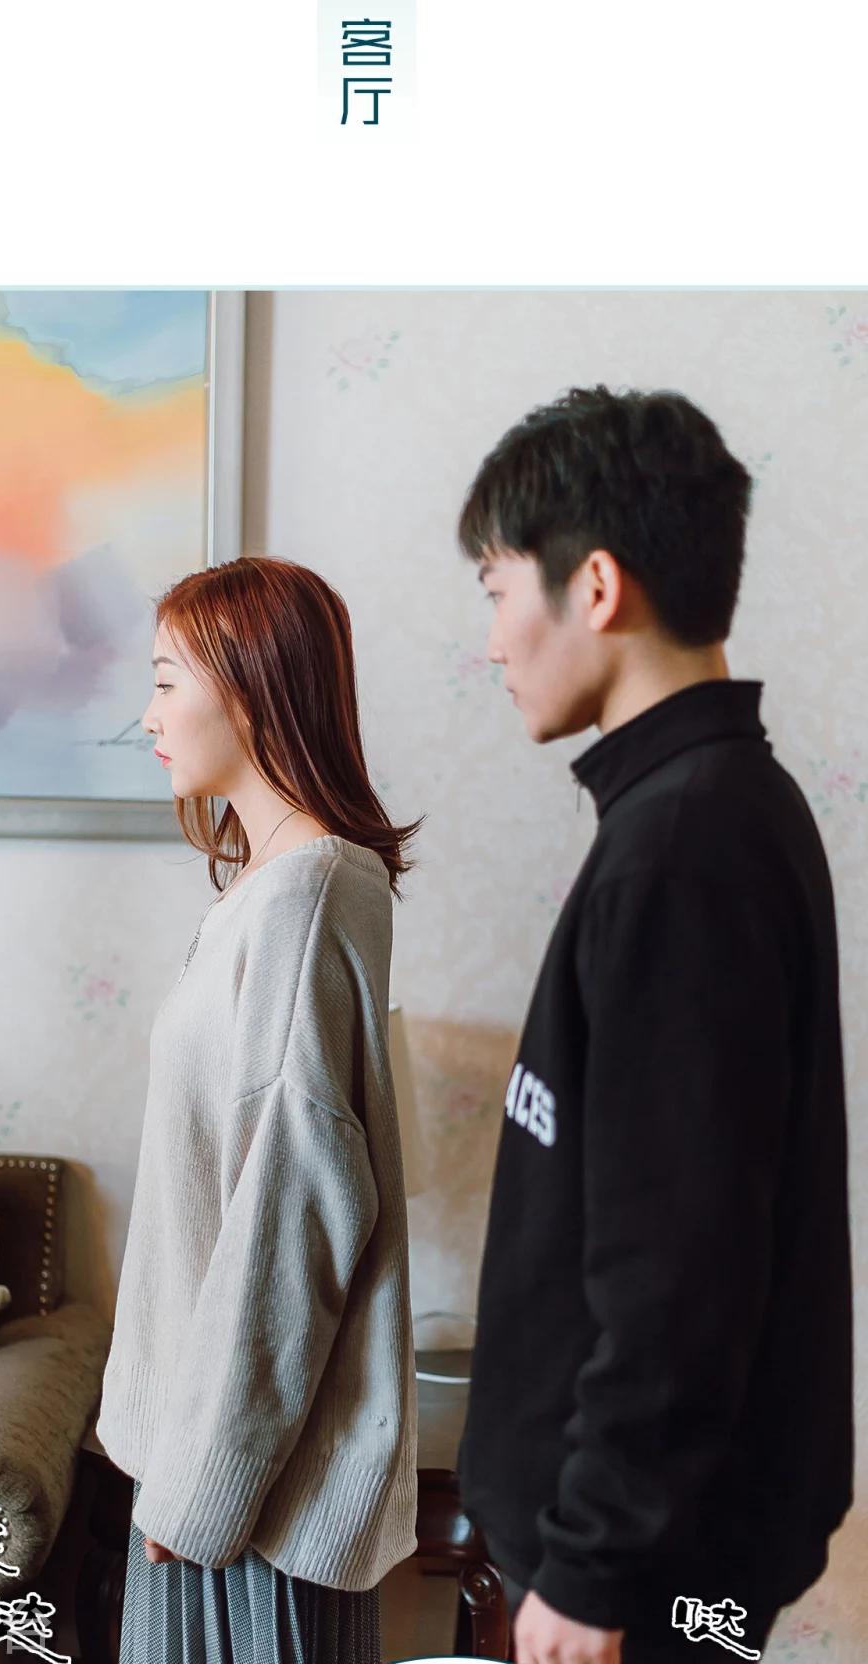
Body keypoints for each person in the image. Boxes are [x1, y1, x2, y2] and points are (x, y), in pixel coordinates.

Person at [454, 386, 854, 1664]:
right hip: (643, 1550)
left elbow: (681, 1267)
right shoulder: (703, 805)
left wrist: (589, 1566)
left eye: (496, 591)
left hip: (641, 1574)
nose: (492, 641)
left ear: (596, 585)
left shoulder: (681, 847)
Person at [95, 555, 424, 1664]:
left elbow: (294, 1215)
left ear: (249, 685)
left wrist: (203, 1490)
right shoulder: (266, 888)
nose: (147, 715)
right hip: (208, 1472)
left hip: (247, 1503)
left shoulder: (309, 891)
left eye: (165, 681)